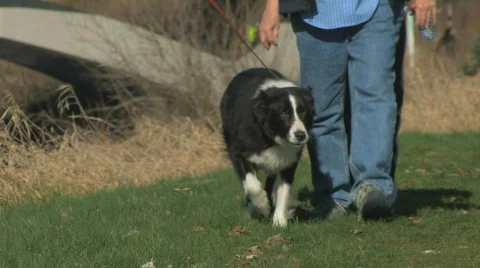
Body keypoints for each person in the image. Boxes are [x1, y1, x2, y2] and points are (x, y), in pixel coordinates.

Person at [259, 0, 436, 220]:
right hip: (315, 14)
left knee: (376, 97)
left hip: (378, 8)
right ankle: (332, 198)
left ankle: (373, 186)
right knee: (321, 109)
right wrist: (272, 6)